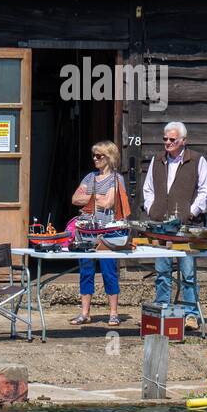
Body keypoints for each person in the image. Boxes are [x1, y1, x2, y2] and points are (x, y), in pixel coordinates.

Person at [141, 120, 207, 326]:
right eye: (165, 139)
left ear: (183, 141)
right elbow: (148, 188)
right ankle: (162, 309)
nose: (167, 143)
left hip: (184, 226)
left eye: (172, 139)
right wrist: (151, 208)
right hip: (160, 225)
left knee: (188, 273)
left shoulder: (197, 160)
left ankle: (191, 315)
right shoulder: (158, 159)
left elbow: (205, 190)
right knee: (162, 271)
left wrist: (191, 211)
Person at [69, 140, 130, 327]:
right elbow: (75, 199)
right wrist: (96, 197)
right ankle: (85, 312)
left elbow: (109, 203)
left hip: (108, 232)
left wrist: (89, 198)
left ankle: (113, 313)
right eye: (94, 155)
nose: (95, 159)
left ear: (109, 157)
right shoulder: (89, 177)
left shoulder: (116, 179)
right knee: (85, 271)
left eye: (99, 156)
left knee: (109, 271)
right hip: (87, 231)